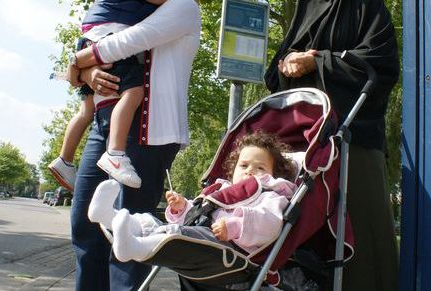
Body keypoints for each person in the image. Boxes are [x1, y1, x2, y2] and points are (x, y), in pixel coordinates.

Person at [65, 0, 201, 290]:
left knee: (128, 234)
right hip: (106, 125)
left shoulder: (184, 6)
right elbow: (103, 54)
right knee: (85, 225)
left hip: (149, 134)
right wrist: (86, 73)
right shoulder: (130, 9)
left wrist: (77, 63)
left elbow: (127, 43)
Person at [264, 0, 400, 290]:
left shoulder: (366, 7)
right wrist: (289, 61)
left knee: (361, 236)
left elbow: (382, 64)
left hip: (354, 139)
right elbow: (275, 73)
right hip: (306, 141)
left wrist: (319, 61)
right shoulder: (306, 6)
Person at [87, 131, 297, 263]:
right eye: (243, 165)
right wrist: (182, 208)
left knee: (176, 234)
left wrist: (234, 226)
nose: (250, 171)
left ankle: (133, 247)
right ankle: (108, 216)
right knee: (151, 220)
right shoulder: (224, 190)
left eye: (259, 167)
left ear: (273, 173)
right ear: (233, 169)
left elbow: (269, 223)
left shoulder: (271, 195)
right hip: (201, 233)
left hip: (231, 249)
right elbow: (198, 216)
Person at [48, 0, 165, 191]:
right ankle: (116, 153)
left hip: (88, 41)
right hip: (111, 37)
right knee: (134, 92)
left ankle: (65, 159)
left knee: (86, 111)